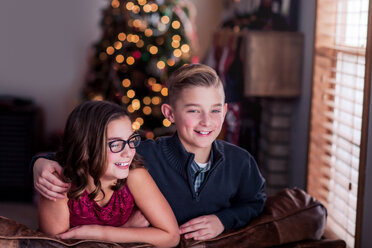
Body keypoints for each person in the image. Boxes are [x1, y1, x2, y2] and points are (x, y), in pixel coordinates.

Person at [33, 64, 266, 241]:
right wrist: (39, 163)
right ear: (170, 113)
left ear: (225, 111)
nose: (207, 121)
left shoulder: (241, 162)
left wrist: (222, 220)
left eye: (215, 110)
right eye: (194, 110)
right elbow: (81, 155)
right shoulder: (142, 153)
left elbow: (255, 202)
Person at [37, 101, 179, 247]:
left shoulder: (135, 175)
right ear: (85, 149)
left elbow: (171, 237)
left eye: (131, 140)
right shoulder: (58, 186)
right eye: (116, 144)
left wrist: (100, 233)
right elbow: (54, 246)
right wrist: (126, 229)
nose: (128, 153)